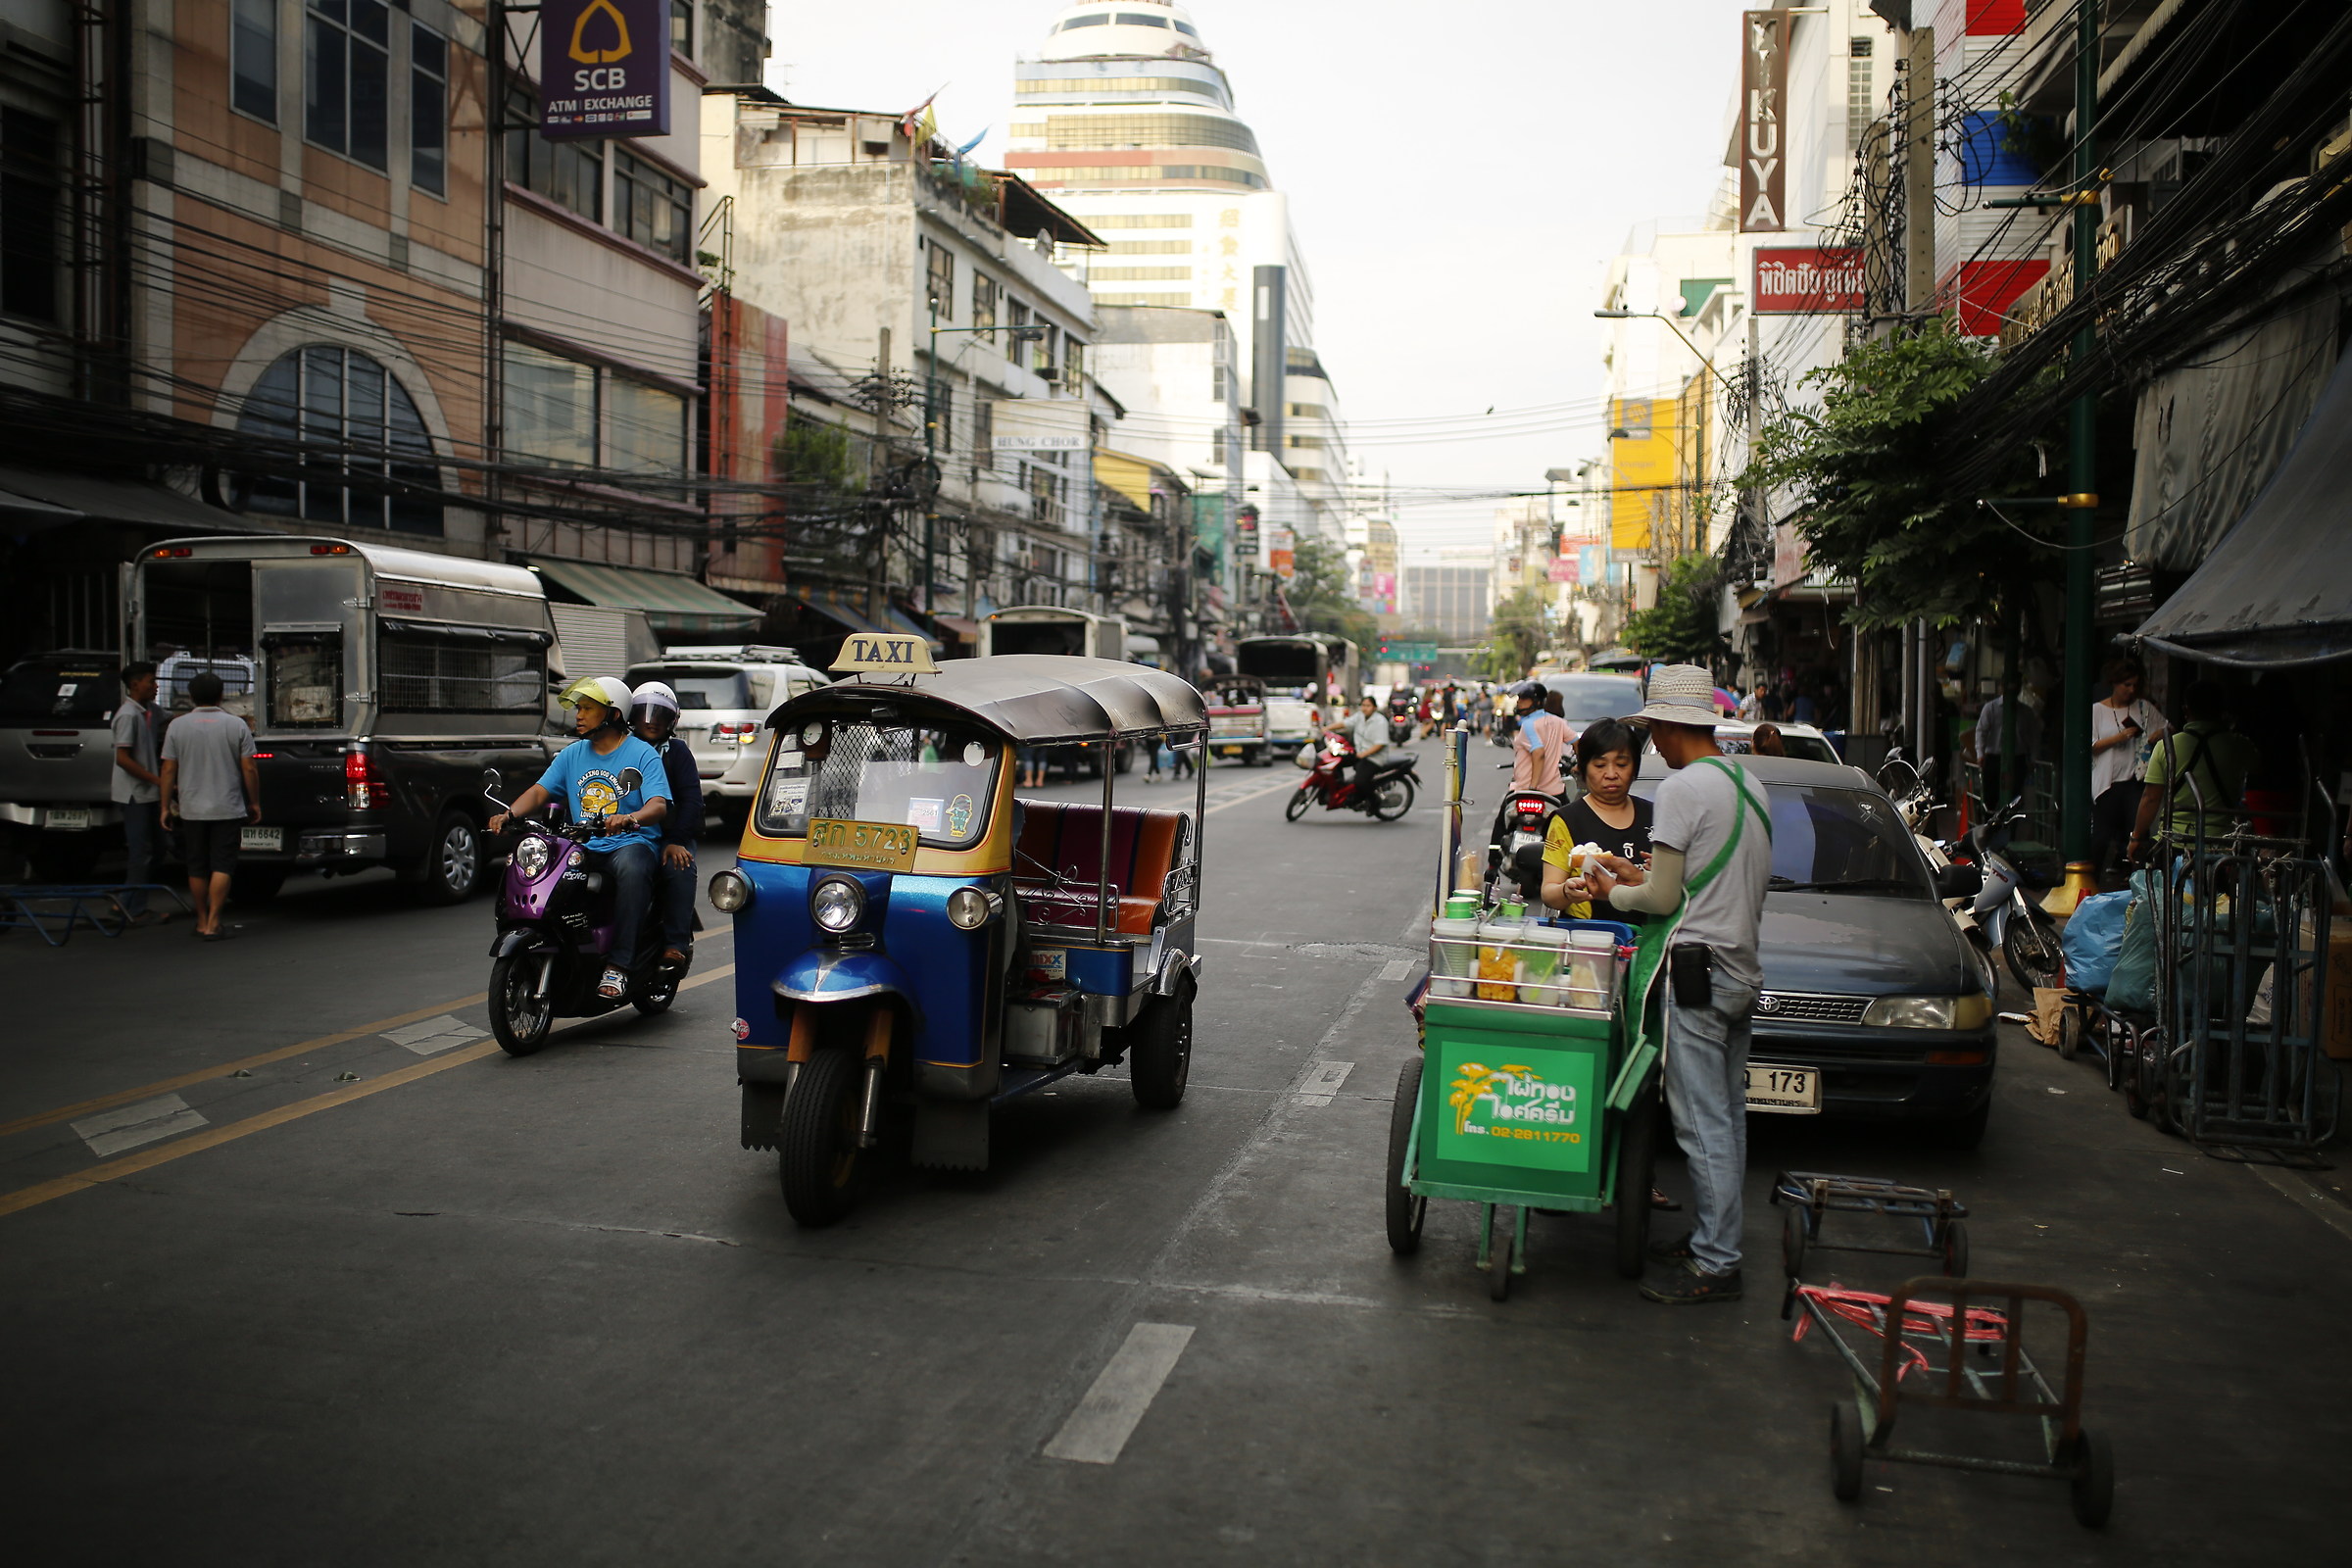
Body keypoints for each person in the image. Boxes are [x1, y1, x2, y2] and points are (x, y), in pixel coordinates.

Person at [1580, 664, 1773, 1305]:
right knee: (1729, 1122)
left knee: (1700, 1125)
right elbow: (1700, 883)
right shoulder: (1749, 783)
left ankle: (1718, 1262)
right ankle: (1713, 1242)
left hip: (1697, 975)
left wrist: (1614, 888)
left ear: (1665, 726)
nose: (1650, 746)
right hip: (1741, 970)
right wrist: (1630, 869)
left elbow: (1661, 899)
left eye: (1651, 732)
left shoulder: (1686, 789)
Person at [489, 677, 669, 1000]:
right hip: (583, 845)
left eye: (587, 708)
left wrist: (630, 818)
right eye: (578, 708)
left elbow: (657, 805)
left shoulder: (642, 754)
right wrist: (510, 815)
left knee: (631, 867)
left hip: (629, 844)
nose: (579, 715)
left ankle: (620, 965)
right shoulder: (572, 754)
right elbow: (539, 792)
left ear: (613, 715)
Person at [159, 669, 261, 941]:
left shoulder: (177, 726)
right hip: (227, 806)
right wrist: (254, 802)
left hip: (192, 807)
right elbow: (249, 768)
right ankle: (215, 921)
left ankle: (201, 920)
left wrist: (165, 807)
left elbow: (168, 770)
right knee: (223, 864)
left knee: (197, 866)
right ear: (221, 695)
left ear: (191, 697)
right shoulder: (235, 725)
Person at [2130, 678, 2259, 858]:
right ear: (2221, 711)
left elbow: (2151, 798)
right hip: (2222, 846)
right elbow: (2258, 771)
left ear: (2186, 709)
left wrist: (2135, 838)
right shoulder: (2238, 744)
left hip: (2174, 843)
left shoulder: (2166, 746)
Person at [1541, 717, 1653, 920]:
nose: (1611, 774)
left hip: (1648, 937)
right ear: (1583, 768)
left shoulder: (1655, 815)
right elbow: (1549, 892)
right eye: (1600, 765)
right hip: (1590, 937)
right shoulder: (1567, 820)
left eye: (1621, 764)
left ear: (1635, 766)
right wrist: (1566, 892)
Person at [627, 682, 702, 967]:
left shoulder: (677, 752)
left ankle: (675, 943)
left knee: (678, 867)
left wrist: (677, 840)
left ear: (672, 720)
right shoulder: (623, 747)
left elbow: (692, 801)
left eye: (660, 715)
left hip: (669, 835)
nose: (651, 722)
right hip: (629, 834)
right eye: (646, 714)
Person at [2091, 657, 2166, 872]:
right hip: (2107, 783)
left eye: (2135, 685)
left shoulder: (2143, 707)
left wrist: (2155, 736)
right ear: (2114, 683)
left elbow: (2166, 728)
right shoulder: (2097, 710)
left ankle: (2137, 885)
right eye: (2126, 685)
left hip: (2135, 780)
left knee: (2136, 836)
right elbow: (2091, 745)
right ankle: (2091, 883)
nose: (2131, 690)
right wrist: (2119, 737)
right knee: (2100, 840)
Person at [111, 662, 169, 925]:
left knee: (157, 849)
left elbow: (171, 720)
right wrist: (157, 780)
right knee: (141, 851)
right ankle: (134, 908)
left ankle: (124, 900)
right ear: (135, 685)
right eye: (150, 681)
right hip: (134, 794)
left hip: (150, 793)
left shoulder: (150, 710)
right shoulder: (128, 715)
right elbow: (123, 758)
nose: (155, 685)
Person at [1970, 673, 2042, 808]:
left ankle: (2011, 826)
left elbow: (2034, 737)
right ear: (2001, 688)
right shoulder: (1990, 708)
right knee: (1990, 798)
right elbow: (1981, 731)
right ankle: (1990, 825)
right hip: (1993, 758)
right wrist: (1980, 754)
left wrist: (2033, 759)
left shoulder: (2026, 711)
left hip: (2018, 759)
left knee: (2015, 799)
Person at [1508, 682, 1573, 799]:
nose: (1519, 702)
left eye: (1524, 699)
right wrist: (1580, 766)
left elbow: (1538, 753)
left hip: (1524, 790)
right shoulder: (1558, 721)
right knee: (1569, 816)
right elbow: (1577, 742)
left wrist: (1533, 788)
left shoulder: (1528, 724)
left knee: (1502, 816)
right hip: (1555, 791)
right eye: (1519, 698)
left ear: (1537, 702)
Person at [1348, 695, 1391, 811]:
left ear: (1374, 707)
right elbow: (1345, 724)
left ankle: (1374, 801)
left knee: (1360, 781)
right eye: (1363, 705)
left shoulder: (1380, 721)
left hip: (1375, 758)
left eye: (1368, 706)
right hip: (1361, 753)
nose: (1365, 708)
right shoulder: (1359, 717)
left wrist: (1364, 754)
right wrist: (1327, 729)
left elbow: (1380, 744)